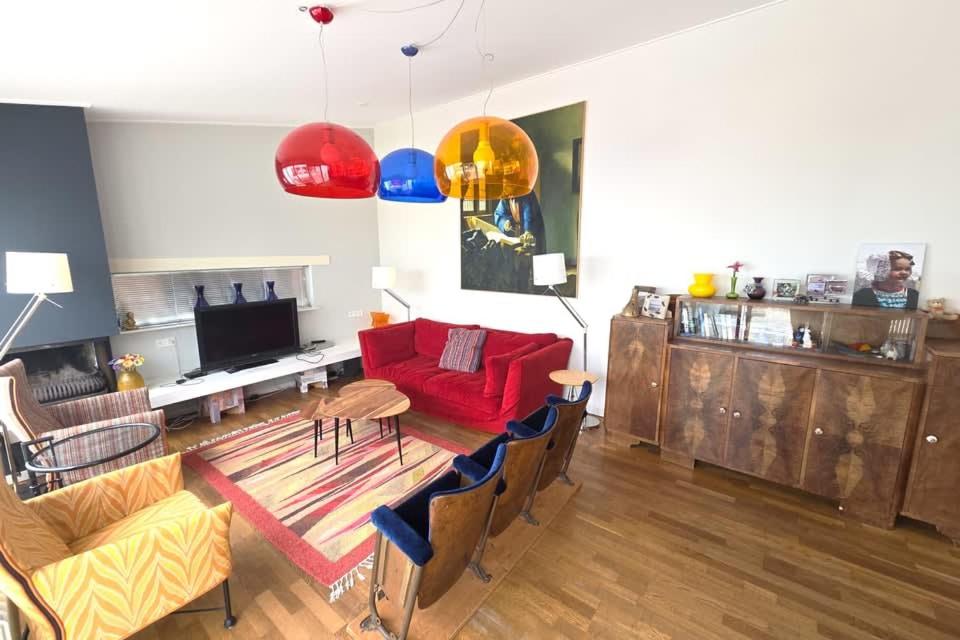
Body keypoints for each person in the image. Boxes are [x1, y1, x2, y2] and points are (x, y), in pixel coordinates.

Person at [852, 249, 920, 309]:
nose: (904, 272)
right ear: (881, 270)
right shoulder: (863, 295)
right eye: (897, 269)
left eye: (907, 269)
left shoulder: (913, 295)